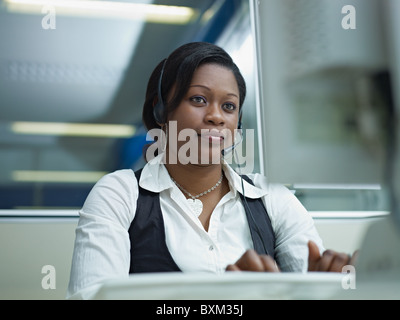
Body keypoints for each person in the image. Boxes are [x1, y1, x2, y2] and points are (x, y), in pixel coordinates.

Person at [67, 42, 357, 299]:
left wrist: (327, 289)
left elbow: (308, 288)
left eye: (229, 106)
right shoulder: (119, 194)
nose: (216, 116)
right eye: (198, 99)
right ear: (160, 111)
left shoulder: (273, 198)